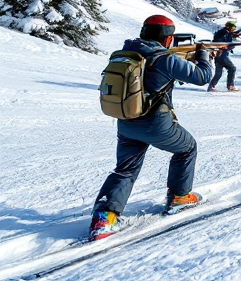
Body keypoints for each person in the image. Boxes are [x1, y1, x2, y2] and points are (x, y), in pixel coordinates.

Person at [89, 14, 214, 240]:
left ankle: (103, 218)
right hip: (156, 123)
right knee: (187, 148)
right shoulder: (165, 59)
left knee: (125, 169)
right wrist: (204, 56)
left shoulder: (125, 54)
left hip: (126, 121)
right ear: (168, 39)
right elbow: (203, 76)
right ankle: (179, 197)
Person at [208, 20, 241, 92]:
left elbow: (228, 45)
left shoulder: (225, 33)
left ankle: (211, 86)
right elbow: (222, 42)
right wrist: (230, 36)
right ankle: (230, 85)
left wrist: (232, 41)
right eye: (232, 28)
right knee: (232, 68)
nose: (233, 29)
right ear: (228, 26)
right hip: (222, 55)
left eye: (234, 28)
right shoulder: (223, 32)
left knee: (219, 73)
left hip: (219, 56)